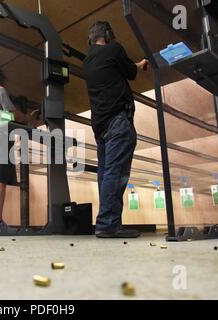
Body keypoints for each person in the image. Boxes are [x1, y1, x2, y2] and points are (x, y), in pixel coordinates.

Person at [83, 21, 149, 238]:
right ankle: (108, 224)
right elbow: (130, 73)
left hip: (99, 124)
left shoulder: (87, 60)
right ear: (108, 35)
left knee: (105, 173)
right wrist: (139, 64)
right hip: (117, 120)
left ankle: (107, 222)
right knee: (115, 172)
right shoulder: (114, 49)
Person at [0, 69, 38, 233]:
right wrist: (28, 118)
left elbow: (4, 117)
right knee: (1, 179)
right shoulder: (0, 91)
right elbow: (11, 114)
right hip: (0, 137)